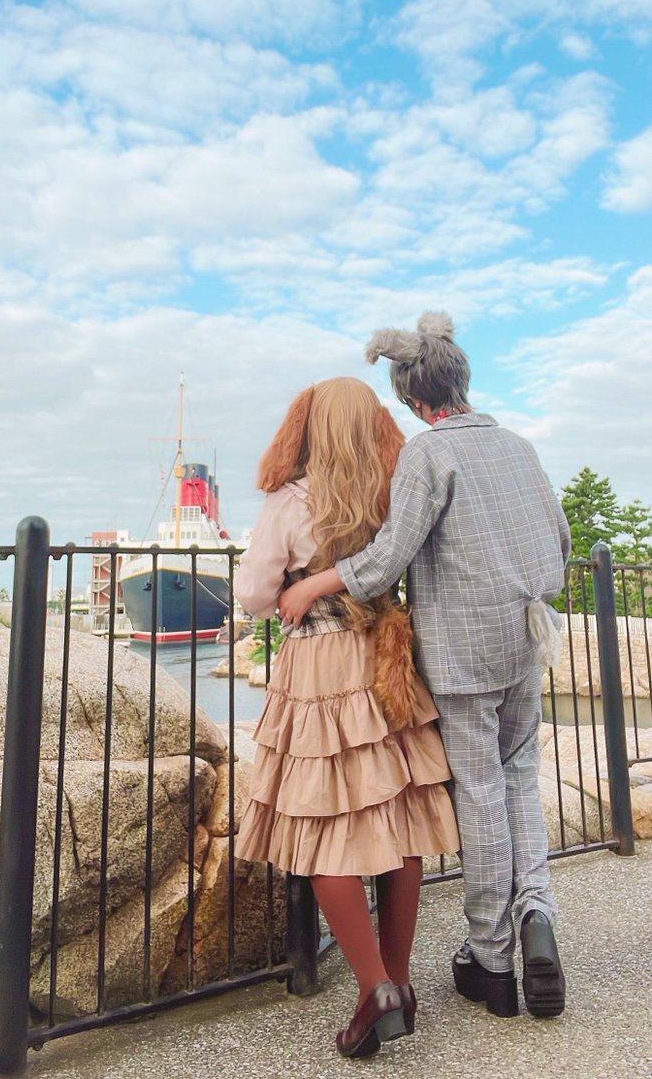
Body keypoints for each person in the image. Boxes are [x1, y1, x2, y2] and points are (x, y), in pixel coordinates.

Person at [279, 312, 570, 1022]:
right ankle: (536, 909)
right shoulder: (519, 445)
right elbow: (560, 543)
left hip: (463, 654)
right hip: (525, 638)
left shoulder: (427, 454)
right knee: (520, 780)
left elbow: (386, 559)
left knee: (479, 790)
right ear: (462, 377)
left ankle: (492, 959)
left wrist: (314, 585)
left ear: (412, 396)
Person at [233, 377, 460, 1059]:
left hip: (321, 668)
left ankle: (373, 988)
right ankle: (399, 980)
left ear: (308, 426)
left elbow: (253, 595)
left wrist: (292, 587)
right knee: (399, 820)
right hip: (387, 658)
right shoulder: (393, 492)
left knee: (326, 827)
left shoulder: (291, 500)